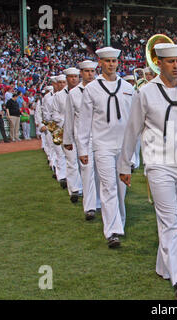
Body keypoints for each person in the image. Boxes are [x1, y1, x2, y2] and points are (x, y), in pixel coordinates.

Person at [118, 43, 177, 300]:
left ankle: (164, 268)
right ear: (159, 63)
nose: (176, 66)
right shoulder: (146, 93)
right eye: (170, 61)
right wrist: (124, 163)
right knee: (170, 220)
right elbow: (132, 129)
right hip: (158, 164)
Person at [76, 47, 134, 248]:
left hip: (123, 146)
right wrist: (83, 149)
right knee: (108, 186)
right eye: (107, 61)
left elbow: (134, 121)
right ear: (100, 63)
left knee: (120, 189)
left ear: (118, 62)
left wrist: (133, 153)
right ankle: (112, 231)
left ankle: (120, 222)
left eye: (114, 61)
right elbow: (84, 121)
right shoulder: (92, 88)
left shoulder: (128, 87)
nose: (111, 64)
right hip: (102, 145)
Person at [63, 60, 101, 221]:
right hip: (83, 138)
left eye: (92, 71)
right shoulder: (74, 93)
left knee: (101, 173)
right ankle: (90, 207)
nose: (90, 74)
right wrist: (68, 139)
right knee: (86, 171)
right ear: (81, 73)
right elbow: (69, 117)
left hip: (101, 136)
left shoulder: (102, 89)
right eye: (86, 71)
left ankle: (99, 202)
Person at [52, 68, 83, 203]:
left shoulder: (84, 92)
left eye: (76, 76)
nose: (74, 79)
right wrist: (66, 122)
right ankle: (74, 189)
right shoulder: (58, 96)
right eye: (71, 77)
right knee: (71, 161)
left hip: (82, 132)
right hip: (66, 131)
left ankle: (82, 187)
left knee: (84, 162)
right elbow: (55, 114)